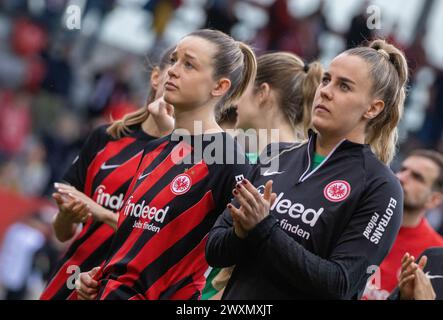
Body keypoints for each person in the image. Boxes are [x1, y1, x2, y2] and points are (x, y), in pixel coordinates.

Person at [205, 39, 408, 299]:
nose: (325, 91)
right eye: (326, 80)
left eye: (344, 86)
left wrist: (264, 228)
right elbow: (214, 250)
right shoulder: (276, 154)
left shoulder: (382, 187)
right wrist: (240, 233)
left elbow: (340, 284)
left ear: (373, 108)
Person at [74, 29, 257, 300]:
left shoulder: (228, 159)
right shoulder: (154, 148)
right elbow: (136, 240)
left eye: (189, 64)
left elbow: (241, 254)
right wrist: (98, 277)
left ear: (219, 87)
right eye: (174, 60)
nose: (172, 70)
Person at [39, 47, 175, 300]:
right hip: (69, 279)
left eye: (189, 69)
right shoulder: (106, 137)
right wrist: (68, 215)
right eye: (173, 70)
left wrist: (100, 211)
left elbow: (160, 237)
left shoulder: (188, 159)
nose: (177, 81)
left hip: (125, 291)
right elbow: (63, 232)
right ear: (156, 77)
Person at [201, 52, 323, 300]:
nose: (234, 102)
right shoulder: (266, 157)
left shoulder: (278, 165)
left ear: (262, 92)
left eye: (242, 90)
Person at [363, 150, 443, 300]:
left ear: (434, 199)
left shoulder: (441, 257)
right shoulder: (357, 219)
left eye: (417, 177)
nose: (400, 177)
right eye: (402, 169)